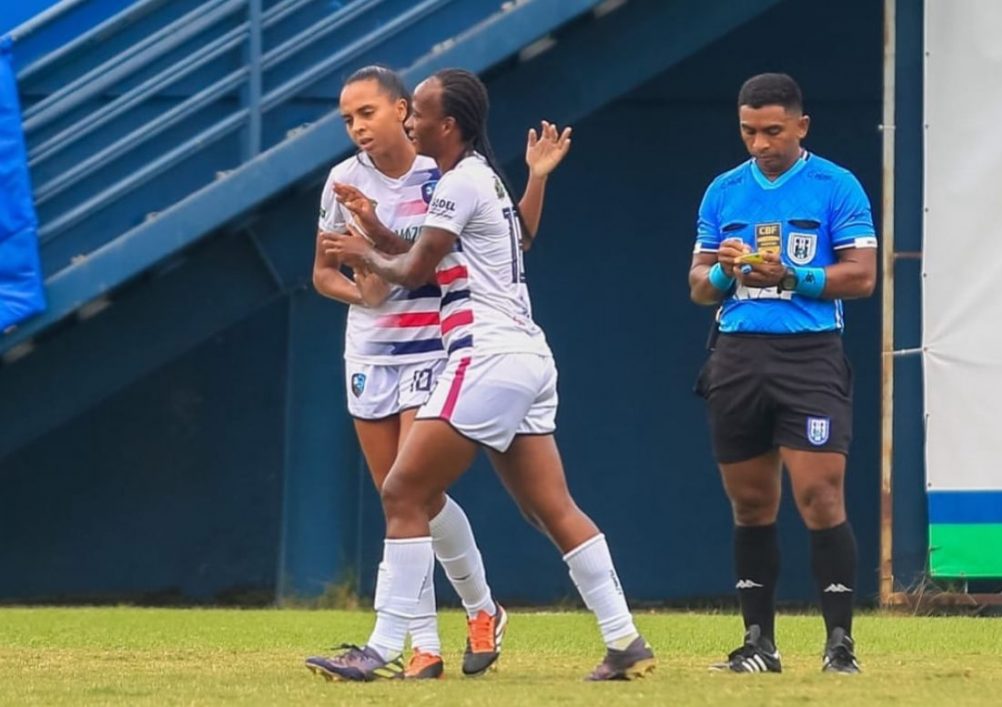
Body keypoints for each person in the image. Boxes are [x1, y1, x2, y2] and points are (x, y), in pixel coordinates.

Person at [320, 68, 656, 682]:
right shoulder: (481, 181)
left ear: (447, 125)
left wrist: (361, 253)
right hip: (528, 356)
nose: (410, 122)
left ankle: (384, 646)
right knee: (551, 508)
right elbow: (473, 242)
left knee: (402, 492)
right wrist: (372, 225)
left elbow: (414, 268)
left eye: (417, 113)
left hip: (485, 355)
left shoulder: (457, 184)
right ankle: (625, 640)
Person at [689, 72, 876, 674]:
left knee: (820, 494)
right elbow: (697, 286)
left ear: (801, 125)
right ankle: (757, 644)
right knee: (750, 503)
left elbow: (863, 276)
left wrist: (792, 278)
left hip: (810, 355)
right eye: (749, 131)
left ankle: (840, 645)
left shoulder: (835, 185)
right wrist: (725, 272)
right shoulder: (723, 191)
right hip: (738, 356)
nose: (760, 144)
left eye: (773, 131)